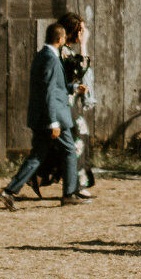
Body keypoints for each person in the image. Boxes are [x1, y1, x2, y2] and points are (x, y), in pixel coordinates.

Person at [0, 20, 80, 208]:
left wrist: (72, 87)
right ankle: (69, 193)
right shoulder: (51, 58)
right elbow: (49, 91)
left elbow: (53, 87)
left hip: (40, 116)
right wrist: (53, 122)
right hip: (53, 117)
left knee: (38, 156)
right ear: (60, 39)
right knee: (69, 151)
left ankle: (9, 191)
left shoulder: (41, 55)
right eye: (65, 38)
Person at [58, 12, 98, 197]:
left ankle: (74, 183)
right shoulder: (63, 51)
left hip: (71, 103)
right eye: (80, 30)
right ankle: (77, 185)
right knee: (77, 142)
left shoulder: (65, 51)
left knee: (77, 141)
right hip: (66, 105)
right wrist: (84, 44)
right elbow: (80, 68)